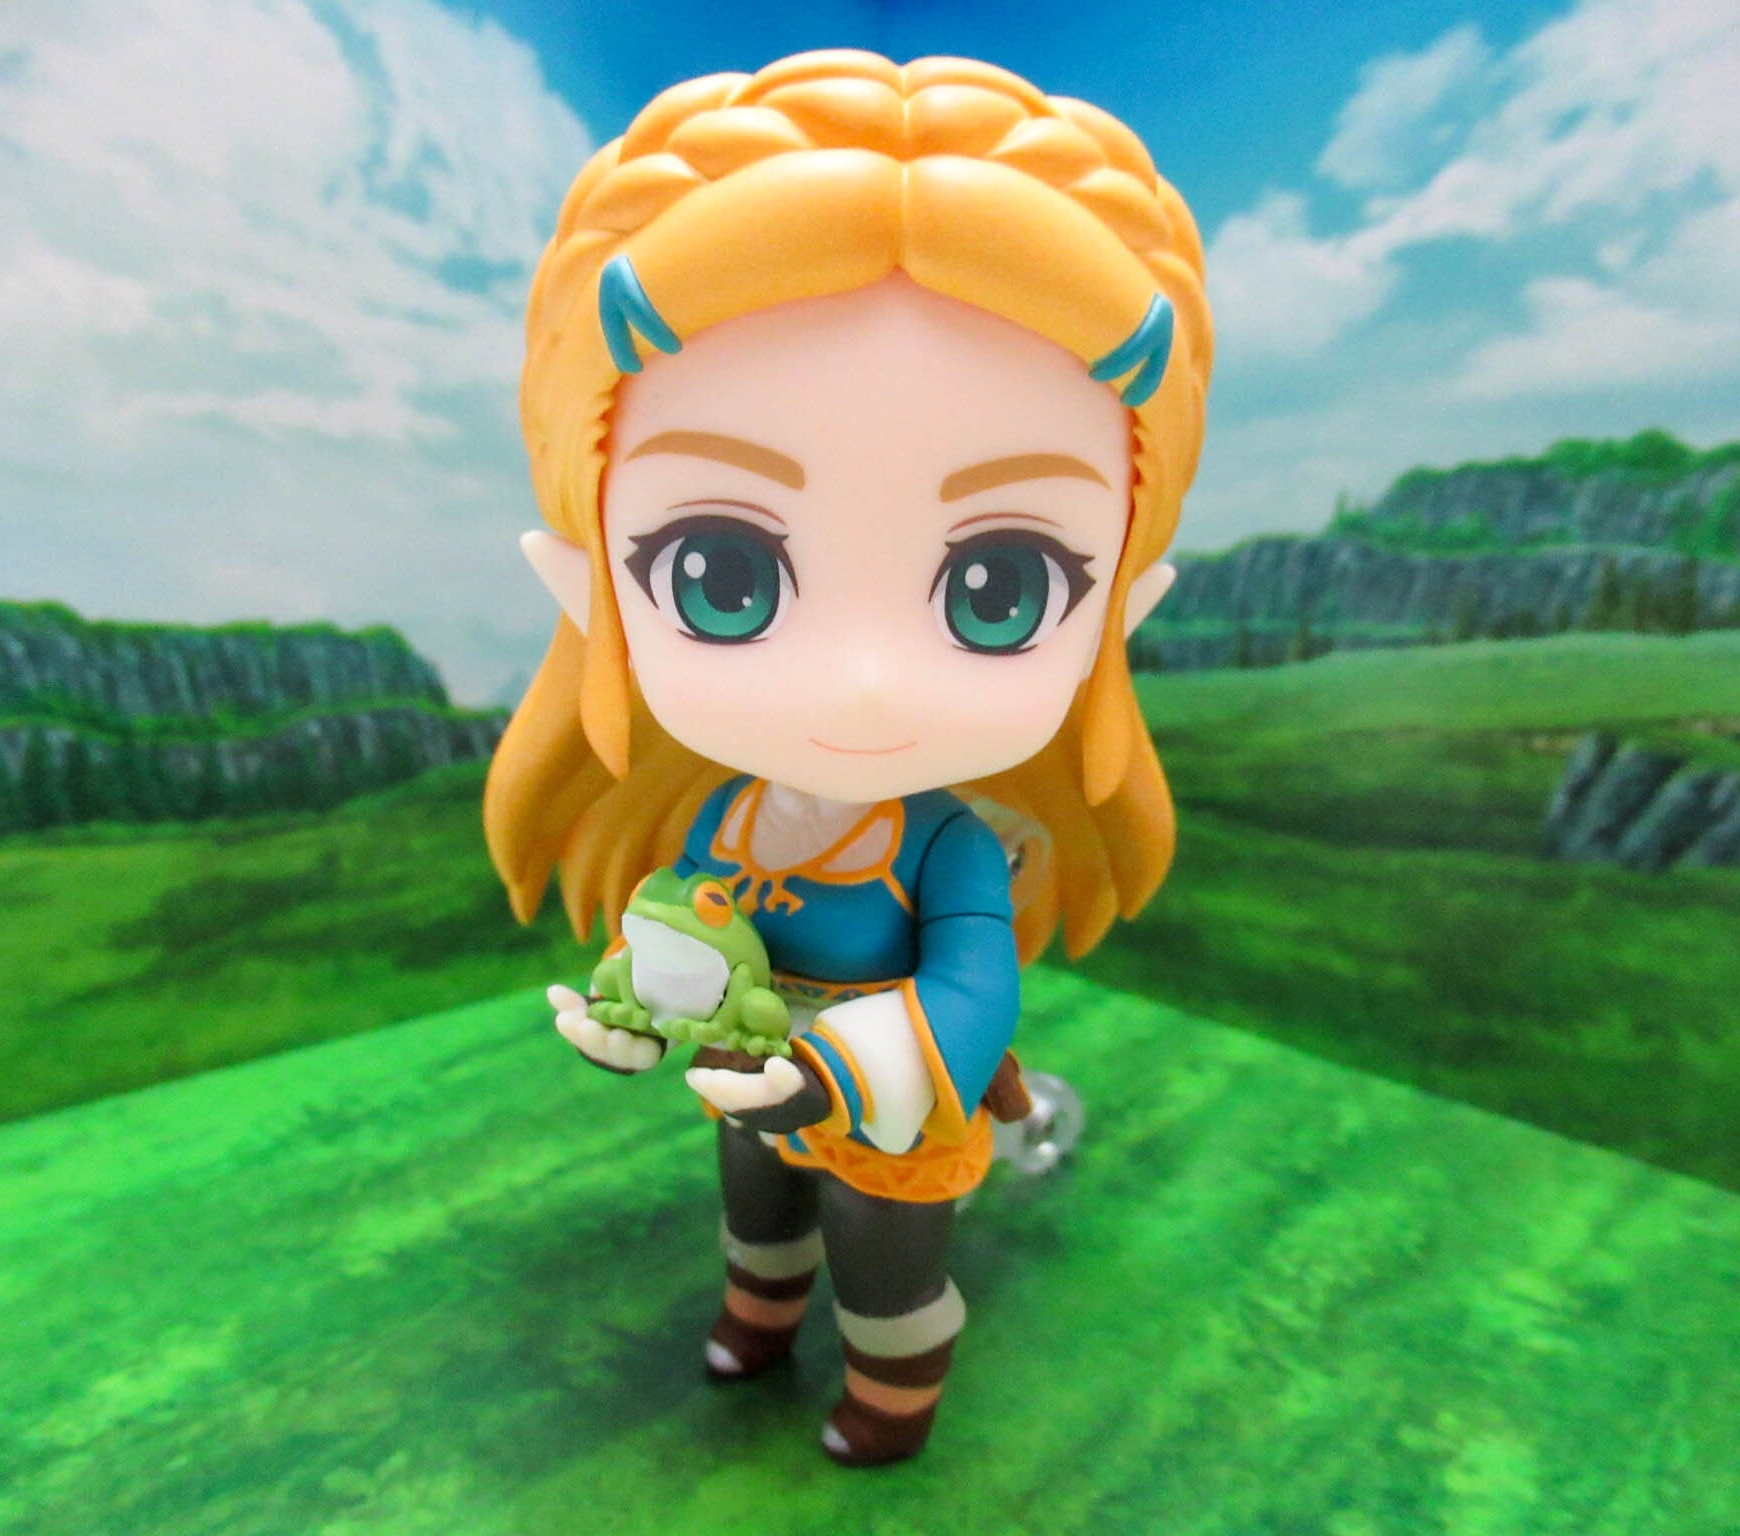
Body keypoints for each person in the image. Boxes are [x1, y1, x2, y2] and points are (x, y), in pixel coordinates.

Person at [484, 47, 1212, 1467]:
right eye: (721, 576)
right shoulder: (732, 811)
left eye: (1000, 590)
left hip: (892, 1113)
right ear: (589, 592)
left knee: (884, 1267)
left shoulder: (946, 847)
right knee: (756, 1216)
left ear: (1118, 618)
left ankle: (890, 1389)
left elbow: (972, 988)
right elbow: (691, 917)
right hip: (749, 1084)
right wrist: (634, 1007)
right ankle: (757, 1316)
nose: (864, 682)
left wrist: (837, 1070)